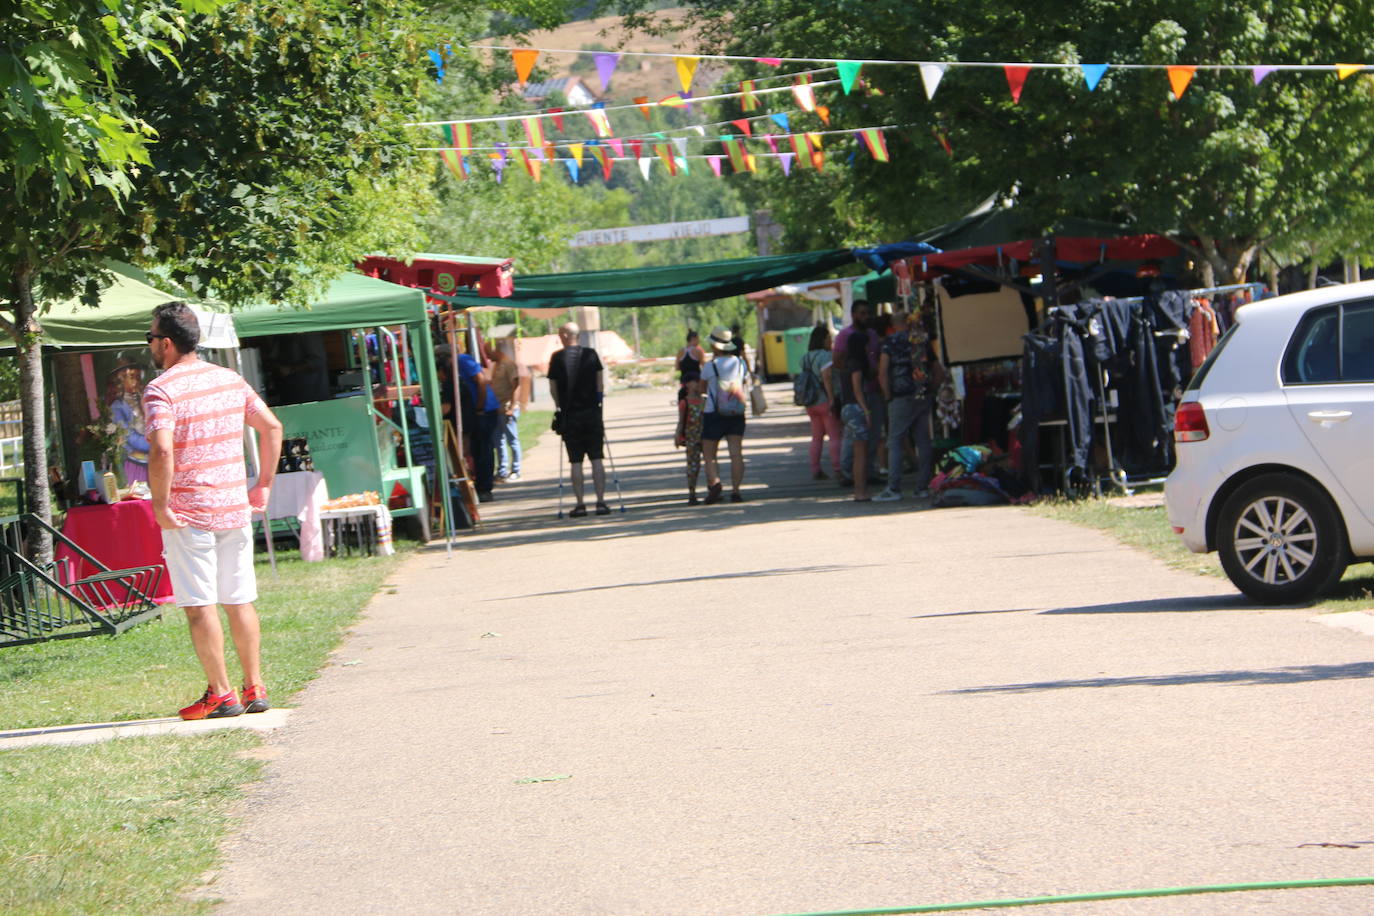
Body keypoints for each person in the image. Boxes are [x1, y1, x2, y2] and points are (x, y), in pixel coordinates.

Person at [143, 301, 283, 720]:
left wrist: (161, 504)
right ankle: (254, 686)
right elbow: (272, 427)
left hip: (190, 513)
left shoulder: (161, 389)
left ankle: (221, 694)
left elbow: (162, 447)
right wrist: (263, 485)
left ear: (166, 344)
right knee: (239, 599)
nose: (149, 344)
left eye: (149, 337)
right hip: (233, 506)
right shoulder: (230, 380)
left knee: (199, 604)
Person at [876, 310, 943, 501]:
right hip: (922, 396)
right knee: (923, 441)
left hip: (900, 397)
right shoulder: (921, 341)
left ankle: (894, 488)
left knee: (895, 441)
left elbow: (882, 372)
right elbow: (939, 372)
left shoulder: (889, 343)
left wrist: (888, 395)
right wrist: (930, 389)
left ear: (894, 324)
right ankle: (923, 486)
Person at [547, 322, 609, 517]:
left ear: (566, 335)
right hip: (592, 413)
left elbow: (553, 388)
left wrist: (559, 406)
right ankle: (601, 501)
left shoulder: (557, 358)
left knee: (575, 461)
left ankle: (580, 504)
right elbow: (600, 381)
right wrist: (598, 401)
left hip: (570, 415)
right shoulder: (591, 355)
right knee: (597, 458)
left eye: (559, 333)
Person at [701, 327, 748, 504]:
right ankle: (736, 490)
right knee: (736, 453)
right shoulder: (741, 363)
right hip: (736, 412)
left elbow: (701, 389)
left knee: (710, 455)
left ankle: (715, 482)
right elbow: (743, 383)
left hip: (713, 413)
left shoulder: (710, 366)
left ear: (714, 346)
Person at [832, 301, 877, 486]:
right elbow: (837, 362)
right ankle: (853, 477)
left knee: (871, 436)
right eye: (862, 313)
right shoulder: (846, 336)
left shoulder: (872, 335)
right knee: (855, 440)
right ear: (853, 314)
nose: (865, 316)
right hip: (857, 399)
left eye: (868, 313)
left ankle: (867, 471)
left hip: (872, 391)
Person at [839, 327, 876, 502]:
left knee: (856, 452)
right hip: (856, 409)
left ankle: (859, 490)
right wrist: (867, 410)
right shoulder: (857, 366)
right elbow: (857, 390)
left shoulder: (845, 365)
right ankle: (860, 490)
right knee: (861, 453)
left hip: (847, 408)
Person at [800, 324, 841, 481]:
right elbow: (827, 378)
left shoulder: (806, 357)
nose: (831, 341)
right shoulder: (825, 356)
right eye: (829, 338)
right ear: (824, 339)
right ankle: (838, 468)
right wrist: (832, 399)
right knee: (834, 436)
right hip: (825, 400)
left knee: (816, 437)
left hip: (811, 402)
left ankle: (815, 468)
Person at [457, 346, 499, 500]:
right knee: (479, 449)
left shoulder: (462, 360)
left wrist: (479, 407)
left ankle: (485, 488)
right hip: (482, 410)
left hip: (485, 410)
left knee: (483, 449)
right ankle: (482, 485)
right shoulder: (462, 361)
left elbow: (481, 380)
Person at [674, 330, 707, 504]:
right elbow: (703, 365)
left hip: (683, 389)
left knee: (683, 412)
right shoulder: (699, 351)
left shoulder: (681, 351)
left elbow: (677, 367)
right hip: (696, 392)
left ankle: (692, 491)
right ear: (694, 339)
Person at [106, 360, 150, 484]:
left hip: (154, 458)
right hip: (136, 461)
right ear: (121, 379)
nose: (136, 381)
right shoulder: (118, 406)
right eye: (131, 377)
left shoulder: (144, 400)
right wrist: (152, 445)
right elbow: (127, 434)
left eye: (137, 376)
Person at [487, 343, 522, 483]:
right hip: (497, 408)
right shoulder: (497, 364)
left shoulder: (509, 364)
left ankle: (516, 470)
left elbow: (516, 385)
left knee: (512, 440)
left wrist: (512, 408)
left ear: (497, 350)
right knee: (498, 441)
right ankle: (502, 471)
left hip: (507, 408)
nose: (488, 357)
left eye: (489, 352)